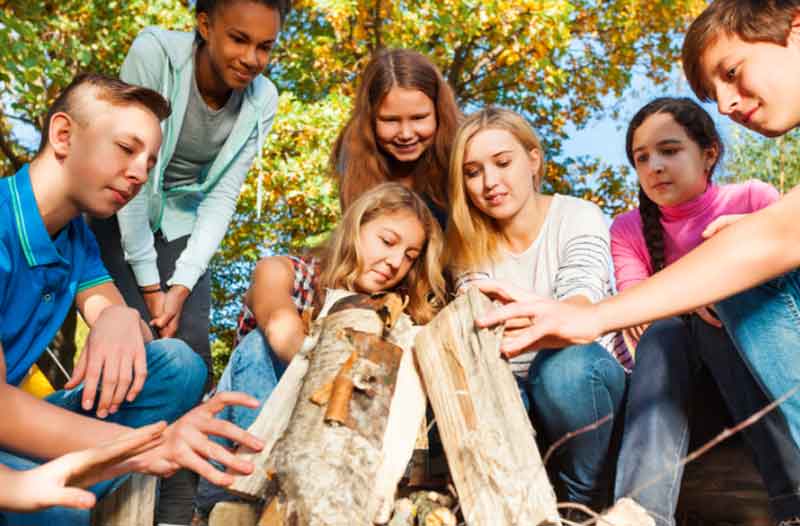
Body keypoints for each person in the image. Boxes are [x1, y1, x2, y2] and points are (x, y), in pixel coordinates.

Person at [475, 0, 800, 481]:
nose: (728, 104)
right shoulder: (628, 230)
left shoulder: (752, 198)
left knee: (743, 276)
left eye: (733, 72)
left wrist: (588, 316)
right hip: (695, 380)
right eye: (716, 93)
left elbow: (771, 241)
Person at [0, 73, 264, 526]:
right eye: (126, 149)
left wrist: (117, 315)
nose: (142, 173)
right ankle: (55, 487)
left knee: (179, 364)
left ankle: (64, 478)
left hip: (20, 426)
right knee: (59, 510)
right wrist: (150, 446)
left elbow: (127, 326)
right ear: (63, 135)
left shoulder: (73, 233)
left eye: (150, 160)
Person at [90, 1, 287, 521]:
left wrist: (180, 287)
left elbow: (220, 198)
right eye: (238, 39)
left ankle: (176, 516)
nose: (251, 58)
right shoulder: (155, 53)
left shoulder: (263, 98)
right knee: (136, 356)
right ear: (205, 26)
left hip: (179, 225)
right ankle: (106, 502)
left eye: (265, 46)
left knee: (191, 364)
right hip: (121, 208)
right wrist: (152, 291)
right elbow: (134, 175)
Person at [194, 181, 446, 515]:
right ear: (357, 227)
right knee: (259, 346)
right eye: (387, 241)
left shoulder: (392, 313)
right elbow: (280, 329)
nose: (395, 261)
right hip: (233, 460)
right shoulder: (284, 272)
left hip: (321, 472)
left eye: (409, 257)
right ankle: (252, 498)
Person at [610, 97, 800, 525]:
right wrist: (697, 299)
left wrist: (710, 296)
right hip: (675, 391)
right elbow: (636, 316)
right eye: (642, 158)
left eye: (670, 151)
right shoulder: (627, 229)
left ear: (708, 152)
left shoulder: (753, 197)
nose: (655, 166)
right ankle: (640, 511)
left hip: (759, 376)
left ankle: (794, 501)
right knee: (664, 332)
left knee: (728, 309)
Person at [445, 107, 630, 510]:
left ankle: (581, 507)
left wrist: (525, 320)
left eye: (503, 162)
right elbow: (480, 330)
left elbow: (578, 307)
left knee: (562, 368)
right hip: (512, 391)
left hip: (587, 391)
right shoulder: (465, 245)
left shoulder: (577, 215)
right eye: (473, 172)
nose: (490, 182)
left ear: (533, 160)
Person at [330, 48, 461, 225]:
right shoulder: (353, 152)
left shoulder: (464, 146)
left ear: (439, 113)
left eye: (419, 118)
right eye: (390, 120)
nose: (406, 134)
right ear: (370, 120)